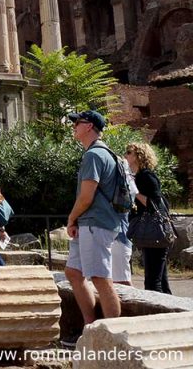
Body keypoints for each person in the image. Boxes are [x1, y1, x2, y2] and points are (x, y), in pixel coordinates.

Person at [64, 110, 122, 327]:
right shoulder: (104, 153)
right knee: (73, 272)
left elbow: (86, 196)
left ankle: (113, 334)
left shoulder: (93, 155)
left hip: (94, 223)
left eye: (77, 123)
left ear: (89, 126)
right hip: (92, 222)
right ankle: (90, 326)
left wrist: (71, 218)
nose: (74, 127)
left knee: (100, 278)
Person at [126, 142, 171, 294]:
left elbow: (154, 203)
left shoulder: (146, 176)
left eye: (129, 153)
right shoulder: (138, 176)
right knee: (160, 279)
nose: (126, 155)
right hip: (151, 233)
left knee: (152, 281)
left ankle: (156, 314)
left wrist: (134, 191)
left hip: (155, 232)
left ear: (138, 156)